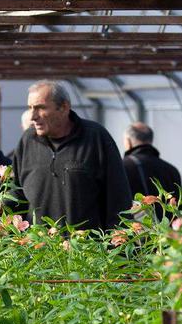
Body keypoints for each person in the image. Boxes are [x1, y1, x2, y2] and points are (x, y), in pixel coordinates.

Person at [9, 81, 132, 231]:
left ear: (64, 107)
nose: (33, 116)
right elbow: (16, 194)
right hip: (38, 249)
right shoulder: (27, 141)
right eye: (30, 108)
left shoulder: (95, 138)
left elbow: (118, 197)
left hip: (84, 249)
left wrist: (118, 242)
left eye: (40, 108)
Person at [122, 122, 182, 216]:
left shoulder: (123, 167)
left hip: (138, 229)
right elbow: (179, 209)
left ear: (128, 142)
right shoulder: (171, 170)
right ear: (150, 140)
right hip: (170, 229)